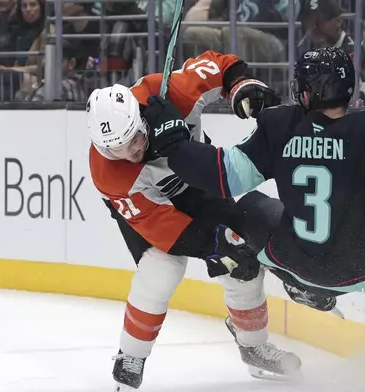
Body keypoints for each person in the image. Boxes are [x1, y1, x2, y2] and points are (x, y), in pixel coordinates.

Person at [138, 34, 365, 313]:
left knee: (247, 204)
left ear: (302, 93)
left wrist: (173, 143)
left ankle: (301, 285)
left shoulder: (278, 126)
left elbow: (222, 176)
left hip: (292, 261)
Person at [85, 50, 301, 391]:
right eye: (116, 150)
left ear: (140, 120)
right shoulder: (108, 173)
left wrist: (241, 85)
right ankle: (132, 355)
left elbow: (223, 63)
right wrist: (213, 245)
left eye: (133, 140)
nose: (129, 154)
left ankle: (253, 346)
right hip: (151, 208)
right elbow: (164, 228)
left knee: (241, 259)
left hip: (197, 182)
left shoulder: (171, 91)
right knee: (162, 267)